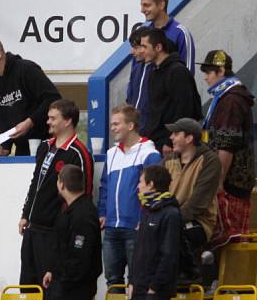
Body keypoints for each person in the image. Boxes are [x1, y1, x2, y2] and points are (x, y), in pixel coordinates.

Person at [19, 99, 93, 292]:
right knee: (27, 288)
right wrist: (26, 214)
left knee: (49, 289)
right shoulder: (44, 146)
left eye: (53, 118)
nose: (48, 122)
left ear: (67, 121)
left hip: (53, 233)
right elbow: (35, 182)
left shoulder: (79, 152)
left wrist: (66, 227)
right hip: (32, 229)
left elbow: (84, 195)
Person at [98, 105, 161, 286]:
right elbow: (104, 186)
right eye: (112, 124)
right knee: (113, 281)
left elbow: (154, 191)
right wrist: (102, 213)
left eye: (116, 124)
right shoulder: (111, 154)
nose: (112, 128)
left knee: (137, 279)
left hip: (135, 227)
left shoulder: (149, 153)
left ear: (131, 126)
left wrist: (145, 219)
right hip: (111, 228)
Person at [199, 50, 255, 249]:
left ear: (221, 71)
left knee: (232, 240)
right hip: (236, 180)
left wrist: (219, 180)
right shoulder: (227, 97)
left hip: (231, 182)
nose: (205, 76)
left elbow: (226, 144)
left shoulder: (230, 100)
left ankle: (233, 280)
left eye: (208, 71)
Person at [128, 165, 181, 300]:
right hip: (138, 287)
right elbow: (138, 252)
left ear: (151, 184)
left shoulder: (170, 214)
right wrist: (131, 281)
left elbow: (169, 255)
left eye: (141, 182)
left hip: (154, 290)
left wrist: (154, 287)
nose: (138, 187)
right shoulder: (146, 211)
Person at [43, 165, 102, 300]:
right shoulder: (69, 210)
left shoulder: (82, 214)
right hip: (63, 285)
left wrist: (64, 280)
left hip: (74, 290)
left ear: (61, 184)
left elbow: (79, 257)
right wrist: (53, 270)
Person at [0, 36, 61, 157]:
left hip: (46, 141)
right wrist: (5, 148)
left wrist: (30, 122)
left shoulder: (26, 69)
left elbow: (53, 98)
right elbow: (2, 116)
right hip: (22, 148)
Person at [164, 118, 222, 278]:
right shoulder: (169, 160)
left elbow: (198, 202)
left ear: (189, 138)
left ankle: (188, 278)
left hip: (199, 222)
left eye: (176, 134)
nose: (171, 137)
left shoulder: (210, 160)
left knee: (172, 237)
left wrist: (170, 219)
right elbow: (156, 189)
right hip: (169, 218)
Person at [140, 27, 201, 156]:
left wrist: (170, 141)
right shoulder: (154, 72)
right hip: (154, 143)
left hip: (170, 146)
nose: (141, 51)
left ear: (158, 47)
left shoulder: (178, 72)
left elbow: (185, 108)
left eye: (145, 47)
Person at [140, 0, 195, 69]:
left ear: (161, 5)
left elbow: (187, 72)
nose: (142, 10)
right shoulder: (143, 34)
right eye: (142, 5)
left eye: (146, 5)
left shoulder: (181, 33)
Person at [125, 26, 152, 130]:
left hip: (152, 134)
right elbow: (130, 99)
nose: (131, 52)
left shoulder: (159, 70)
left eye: (136, 47)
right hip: (135, 132)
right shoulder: (136, 70)